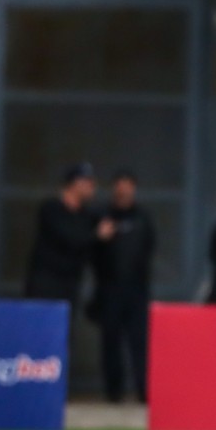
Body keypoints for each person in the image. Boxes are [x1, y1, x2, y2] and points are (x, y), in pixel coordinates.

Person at [91, 171, 156, 403]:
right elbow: (92, 250)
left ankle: (144, 391)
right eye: (120, 186)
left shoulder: (142, 217)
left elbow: (149, 248)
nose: (124, 191)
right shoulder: (102, 216)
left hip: (137, 290)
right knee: (110, 342)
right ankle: (113, 393)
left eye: (129, 186)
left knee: (140, 342)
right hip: (109, 289)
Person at [26, 163, 113, 308]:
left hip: (71, 285)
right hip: (46, 285)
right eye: (88, 182)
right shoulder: (52, 209)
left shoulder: (85, 216)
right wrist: (96, 235)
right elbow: (70, 239)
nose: (93, 187)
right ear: (75, 183)